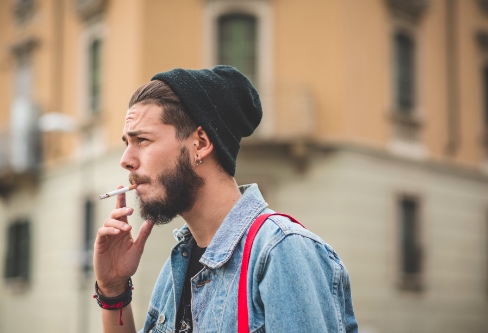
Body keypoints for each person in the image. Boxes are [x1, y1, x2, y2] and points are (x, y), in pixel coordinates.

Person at [93, 66, 358, 333]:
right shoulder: (177, 267)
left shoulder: (280, 252)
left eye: (142, 140)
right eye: (127, 143)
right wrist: (113, 291)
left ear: (200, 143)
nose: (126, 160)